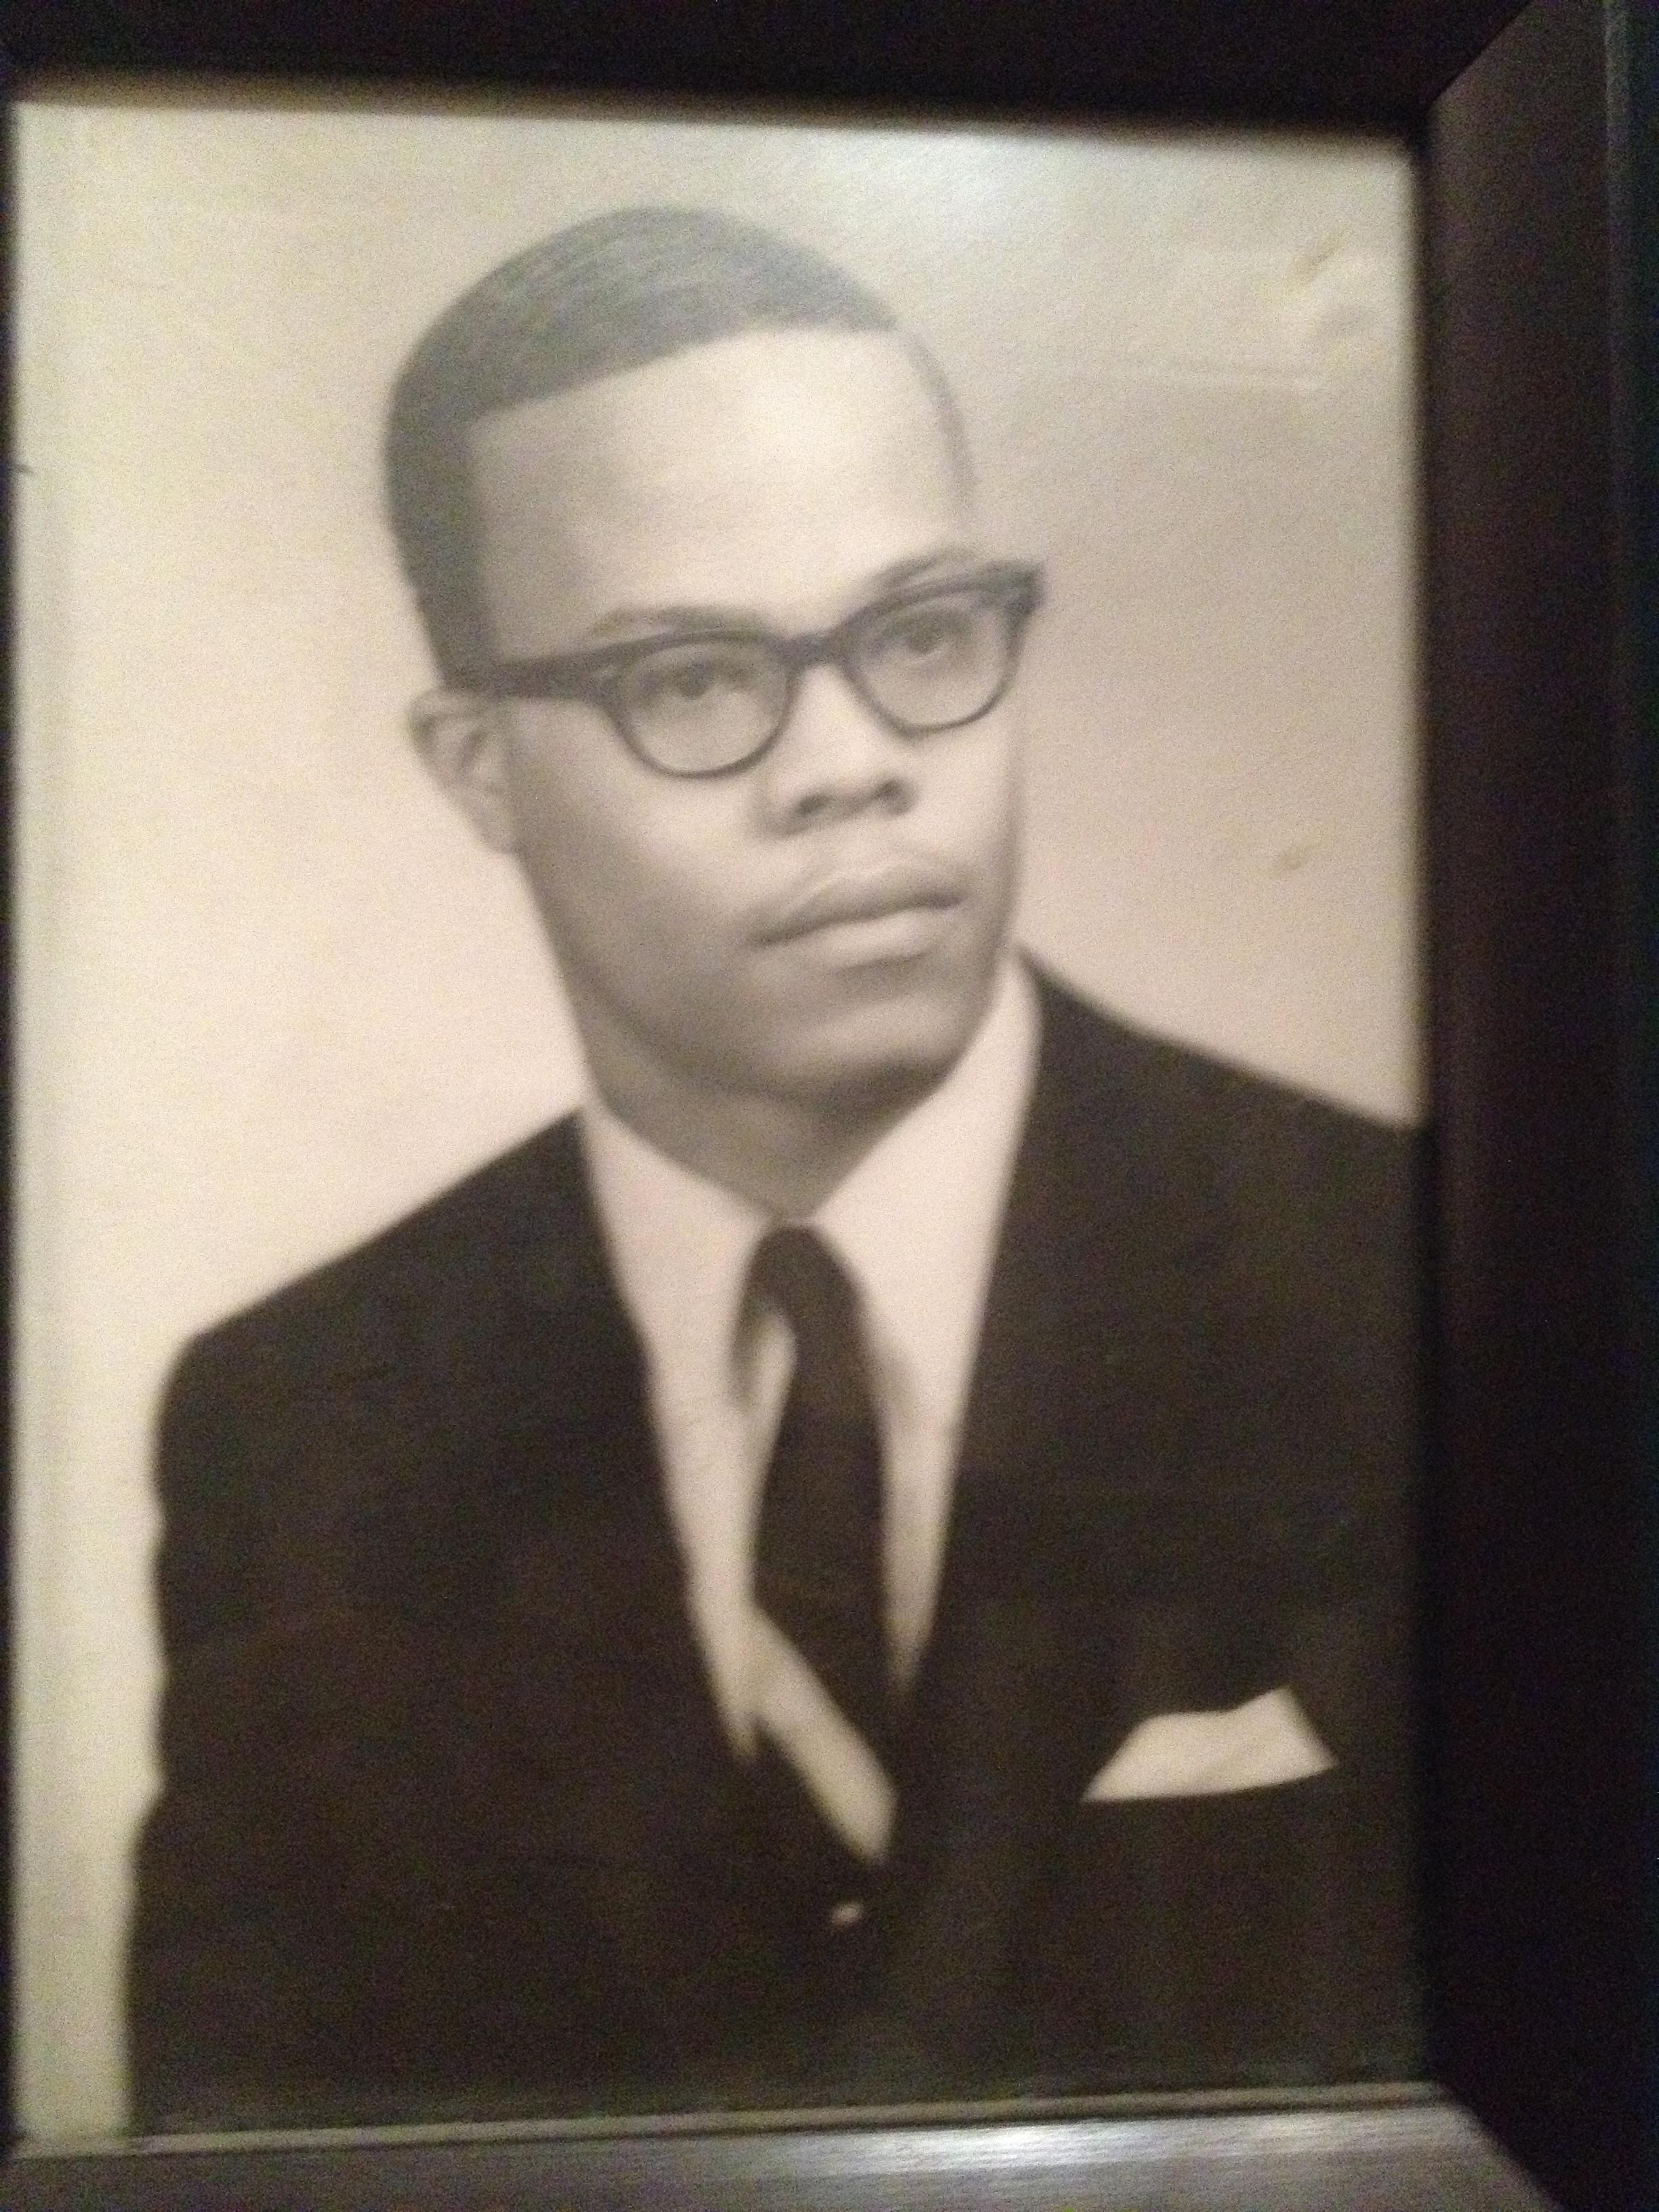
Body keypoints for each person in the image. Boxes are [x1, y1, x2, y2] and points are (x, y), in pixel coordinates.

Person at [127, 207, 1418, 2131]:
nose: (849, 763)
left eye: (922, 635)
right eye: (692, 678)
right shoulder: (301, 1425)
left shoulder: (1409, 1278)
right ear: (478, 767)